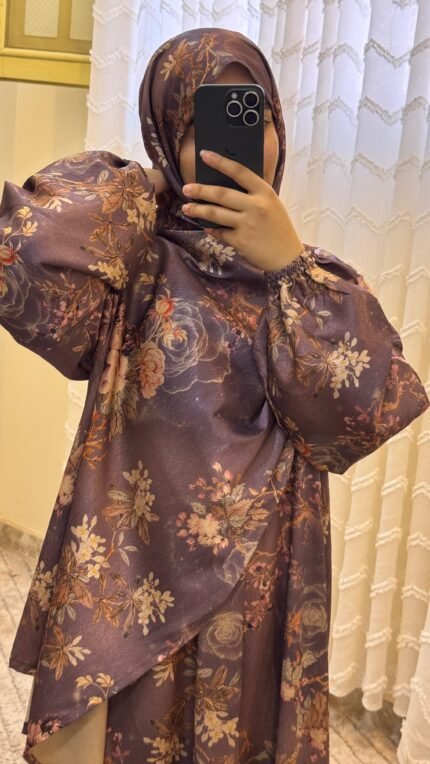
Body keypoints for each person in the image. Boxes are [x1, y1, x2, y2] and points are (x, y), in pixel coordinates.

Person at [1, 27, 428, 764]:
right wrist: (146, 187)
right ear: (168, 140)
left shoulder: (315, 286)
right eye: (203, 126)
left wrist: (288, 266)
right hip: (131, 576)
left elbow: (361, 414)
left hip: (256, 584)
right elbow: (23, 253)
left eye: (251, 114)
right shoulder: (132, 264)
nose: (237, 145)